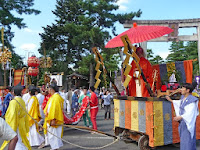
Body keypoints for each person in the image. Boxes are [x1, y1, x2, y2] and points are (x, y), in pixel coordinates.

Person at [166, 83, 199, 150]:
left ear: (187, 90)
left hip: (187, 123)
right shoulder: (183, 98)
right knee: (184, 141)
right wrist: (170, 100)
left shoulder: (191, 99)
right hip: (183, 123)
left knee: (187, 141)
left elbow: (190, 112)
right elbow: (180, 103)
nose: (181, 90)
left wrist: (180, 117)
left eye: (183, 88)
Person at [1, 83, 31, 150]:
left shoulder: (14, 102)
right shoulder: (21, 100)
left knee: (16, 140)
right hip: (21, 123)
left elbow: (12, 115)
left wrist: (10, 125)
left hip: (16, 123)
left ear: (13, 92)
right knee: (21, 139)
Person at [42, 83, 64, 150]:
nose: (48, 90)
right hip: (52, 118)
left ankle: (55, 148)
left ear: (52, 89)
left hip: (54, 119)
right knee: (54, 135)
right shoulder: (55, 97)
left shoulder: (55, 98)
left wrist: (53, 119)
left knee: (54, 135)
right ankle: (55, 147)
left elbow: (54, 109)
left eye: (49, 89)